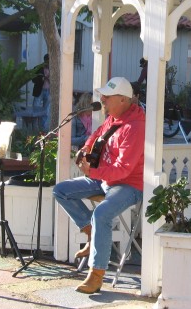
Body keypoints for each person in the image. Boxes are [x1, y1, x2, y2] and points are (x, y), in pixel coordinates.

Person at [53, 77, 145, 294]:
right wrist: (84, 150)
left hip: (128, 185)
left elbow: (123, 170)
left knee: (102, 213)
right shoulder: (113, 117)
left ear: (123, 100)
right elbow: (95, 136)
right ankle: (91, 232)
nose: (102, 99)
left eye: (107, 96)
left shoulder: (136, 126)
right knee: (61, 191)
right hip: (104, 178)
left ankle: (96, 275)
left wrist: (92, 172)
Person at [32, 54, 50, 130]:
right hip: (40, 90)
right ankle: (34, 127)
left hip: (48, 90)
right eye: (48, 61)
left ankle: (43, 128)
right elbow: (33, 79)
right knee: (36, 109)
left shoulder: (53, 68)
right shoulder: (38, 68)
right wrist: (42, 78)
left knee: (46, 110)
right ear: (45, 60)